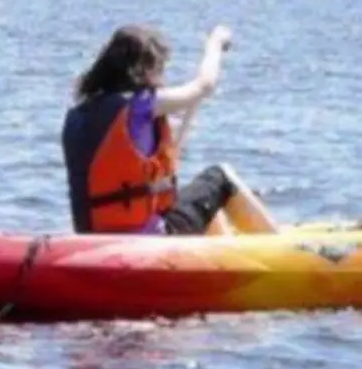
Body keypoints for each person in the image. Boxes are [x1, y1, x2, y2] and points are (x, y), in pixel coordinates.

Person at [62, 23, 278, 237]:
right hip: (143, 239)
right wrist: (215, 44)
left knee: (203, 204)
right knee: (221, 176)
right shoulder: (140, 106)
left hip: (95, 237)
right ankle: (284, 250)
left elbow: (153, 163)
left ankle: (221, 263)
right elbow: (205, 85)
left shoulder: (77, 115)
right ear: (146, 68)